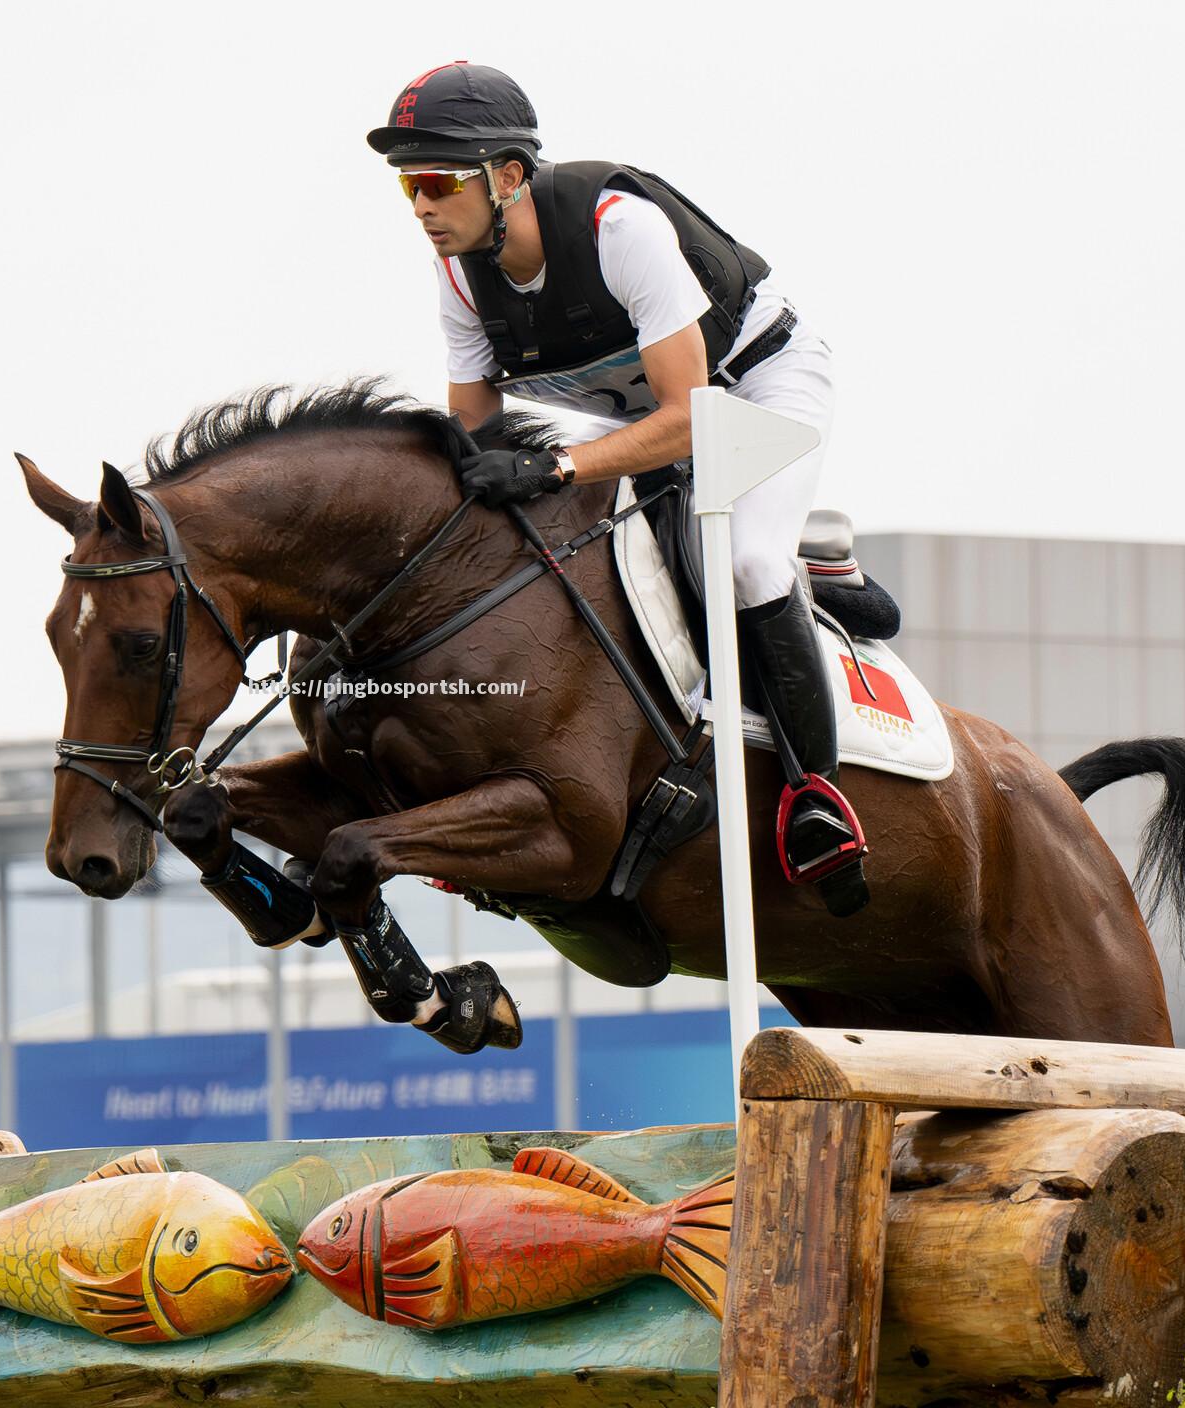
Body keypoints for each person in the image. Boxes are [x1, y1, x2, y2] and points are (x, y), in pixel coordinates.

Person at [366, 60, 866, 909]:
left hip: (752, 388)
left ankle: (815, 791)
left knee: (745, 565)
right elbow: (479, 442)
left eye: (439, 181)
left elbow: (688, 416)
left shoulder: (617, 227)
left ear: (509, 175)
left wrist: (555, 464)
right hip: (635, 417)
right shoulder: (457, 273)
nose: (422, 207)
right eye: (409, 184)